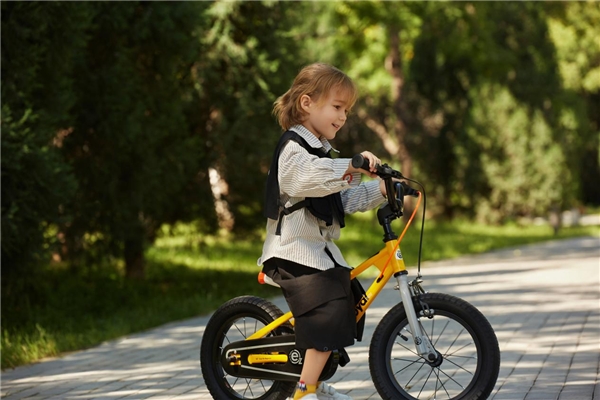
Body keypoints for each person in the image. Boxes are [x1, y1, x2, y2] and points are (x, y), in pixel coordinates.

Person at [258, 62, 390, 400]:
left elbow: (341, 201)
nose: (343, 116)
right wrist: (351, 164)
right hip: (292, 252)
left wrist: (382, 191)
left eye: (346, 110)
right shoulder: (294, 149)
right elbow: (308, 177)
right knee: (328, 312)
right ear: (306, 103)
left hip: (319, 254)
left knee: (349, 302)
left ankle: (313, 379)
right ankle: (305, 392)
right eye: (337, 107)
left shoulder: (323, 153)